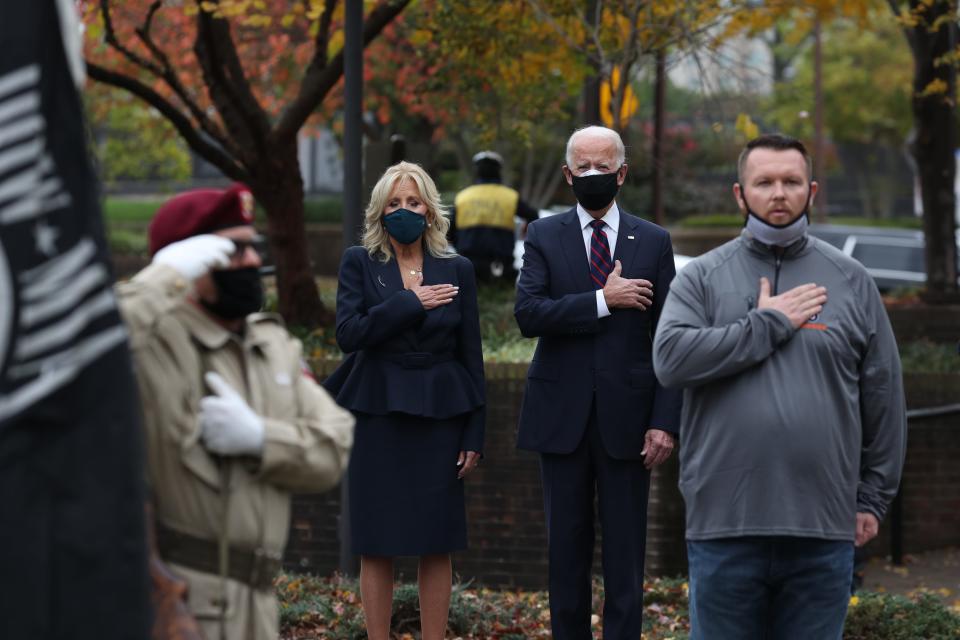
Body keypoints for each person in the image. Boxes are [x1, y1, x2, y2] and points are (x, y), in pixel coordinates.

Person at [652, 133, 907, 639]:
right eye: (764, 182)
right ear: (739, 194)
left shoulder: (852, 280)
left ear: (811, 191)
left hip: (823, 527)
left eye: (791, 181)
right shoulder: (701, 278)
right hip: (725, 525)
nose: (778, 193)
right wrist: (765, 326)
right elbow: (671, 360)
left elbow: (884, 397)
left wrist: (872, 498)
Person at [117, 184, 355, 640]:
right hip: (176, 605)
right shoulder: (151, 342)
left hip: (260, 606)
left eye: (252, 247)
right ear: (188, 263)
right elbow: (90, 347)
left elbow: (333, 446)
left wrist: (262, 439)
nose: (251, 262)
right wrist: (162, 277)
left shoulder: (272, 345)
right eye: (231, 250)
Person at [514, 125, 682, 639]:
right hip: (560, 417)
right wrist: (602, 301)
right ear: (567, 175)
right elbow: (529, 314)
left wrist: (663, 421)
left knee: (626, 557)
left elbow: (670, 339)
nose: (592, 175)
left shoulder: (653, 241)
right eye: (582, 167)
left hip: (629, 423)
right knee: (565, 551)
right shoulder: (543, 235)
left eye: (602, 166)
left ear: (622, 173)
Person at [325, 161, 485, 640]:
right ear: (379, 211)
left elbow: (470, 355)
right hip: (377, 415)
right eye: (394, 203)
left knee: (437, 543)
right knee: (377, 543)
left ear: (430, 212)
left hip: (440, 416)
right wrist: (410, 302)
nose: (404, 211)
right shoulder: (360, 262)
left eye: (413, 202)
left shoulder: (458, 269)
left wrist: (474, 432)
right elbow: (349, 334)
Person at [451, 150, 539, 281]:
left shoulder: (462, 197)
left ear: (477, 171)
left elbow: (448, 230)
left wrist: (459, 246)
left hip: (467, 265)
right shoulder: (510, 196)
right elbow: (533, 216)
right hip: (500, 266)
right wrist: (525, 231)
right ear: (498, 170)